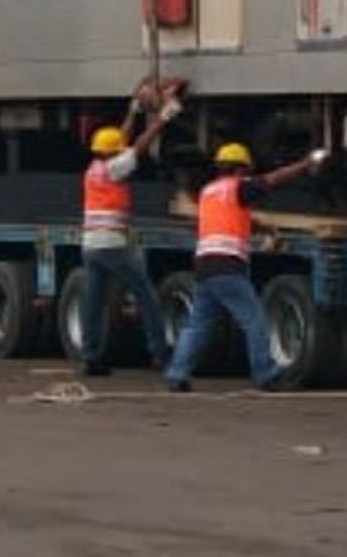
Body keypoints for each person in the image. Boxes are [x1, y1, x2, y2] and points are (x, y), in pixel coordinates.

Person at [163, 142, 328, 393]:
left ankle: (177, 374)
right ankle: (266, 375)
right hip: (227, 265)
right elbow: (273, 179)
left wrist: (264, 228)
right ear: (241, 169)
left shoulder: (208, 192)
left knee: (197, 325)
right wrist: (305, 164)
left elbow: (230, 217)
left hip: (204, 265)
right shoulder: (239, 187)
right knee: (255, 321)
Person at [76, 88, 177, 377]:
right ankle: (160, 355)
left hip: (90, 247)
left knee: (93, 304)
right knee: (146, 297)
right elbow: (139, 147)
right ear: (112, 151)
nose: (122, 148)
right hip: (113, 245)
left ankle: (91, 358)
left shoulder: (94, 168)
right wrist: (163, 118)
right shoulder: (115, 169)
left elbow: (120, 140)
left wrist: (133, 112)